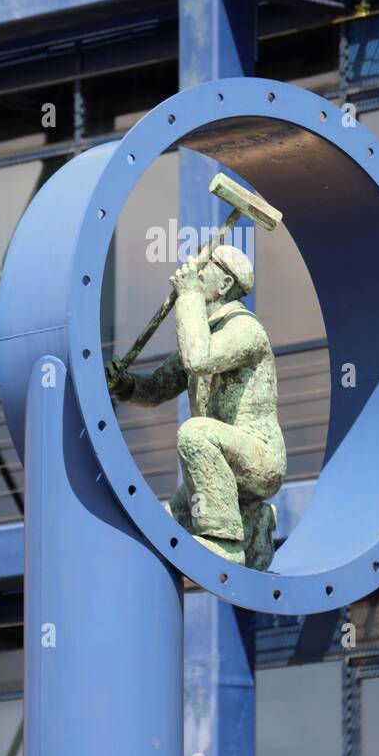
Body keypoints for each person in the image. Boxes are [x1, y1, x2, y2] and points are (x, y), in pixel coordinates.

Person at [105, 244, 285, 569]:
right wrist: (125, 384)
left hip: (258, 458)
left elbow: (198, 359)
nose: (195, 272)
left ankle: (224, 543)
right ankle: (254, 527)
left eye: (204, 268)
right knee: (163, 531)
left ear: (225, 284)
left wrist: (187, 296)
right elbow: (158, 388)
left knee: (194, 433)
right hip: (220, 462)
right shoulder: (206, 332)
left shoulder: (245, 329)